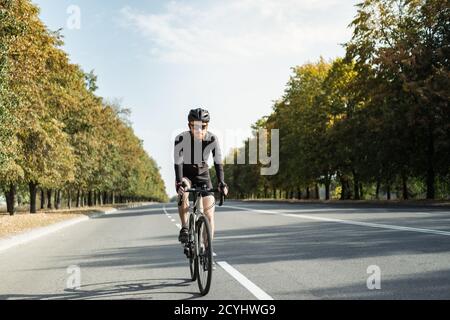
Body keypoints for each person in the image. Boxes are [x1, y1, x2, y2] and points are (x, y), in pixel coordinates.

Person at [174, 108, 228, 245]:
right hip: (186, 175)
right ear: (189, 126)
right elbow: (178, 163)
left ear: (207, 126)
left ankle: (207, 251)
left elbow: (218, 162)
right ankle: (185, 227)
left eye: (202, 126)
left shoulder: (212, 139)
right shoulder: (180, 139)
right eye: (195, 126)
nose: (199, 130)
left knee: (209, 216)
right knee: (184, 191)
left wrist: (222, 182)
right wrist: (179, 183)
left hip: (203, 175)